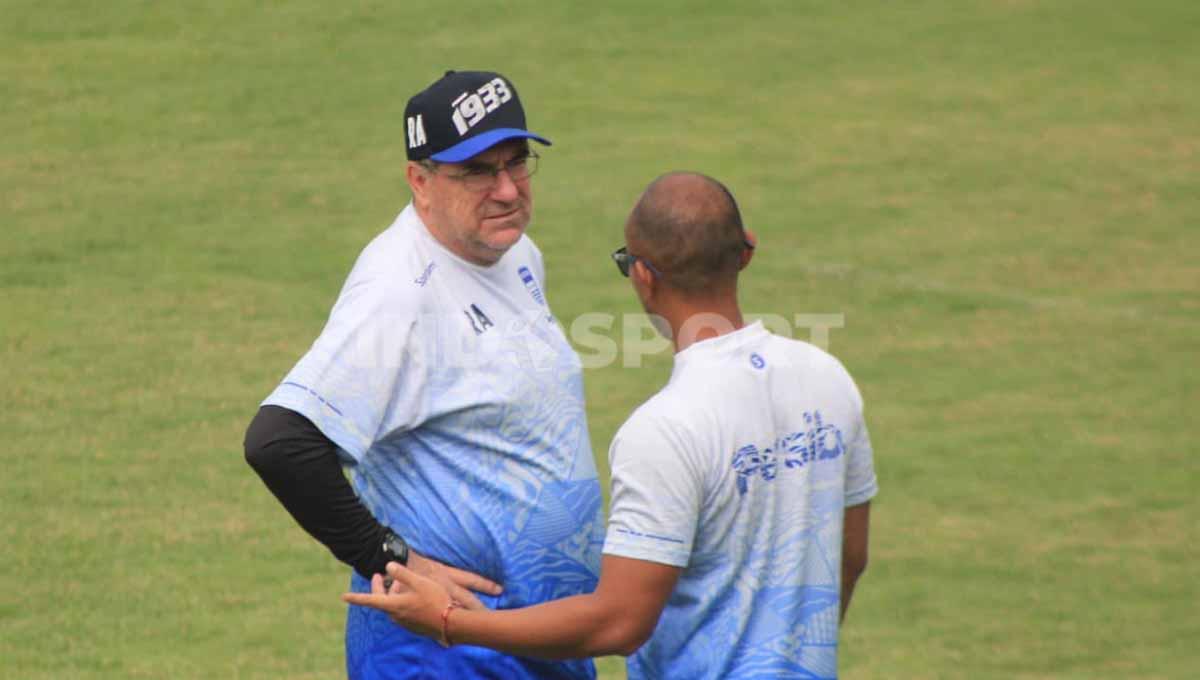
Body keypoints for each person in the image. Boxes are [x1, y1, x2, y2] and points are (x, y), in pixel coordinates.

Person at [345, 172, 879, 679]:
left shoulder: (666, 430)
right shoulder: (829, 379)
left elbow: (619, 622)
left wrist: (447, 621)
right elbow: (850, 558)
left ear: (643, 277)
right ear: (747, 251)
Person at [244, 70, 605, 680]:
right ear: (420, 180)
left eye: (517, 163)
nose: (508, 190)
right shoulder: (397, 294)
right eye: (477, 172)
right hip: (442, 651)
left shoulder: (513, 251)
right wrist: (389, 555)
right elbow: (280, 441)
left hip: (537, 639)